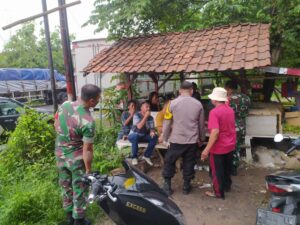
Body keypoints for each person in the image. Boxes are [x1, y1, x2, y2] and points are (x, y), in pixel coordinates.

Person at [54, 84, 101, 225]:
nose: (99, 100)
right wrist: (88, 170)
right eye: (98, 98)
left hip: (60, 154)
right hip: (75, 159)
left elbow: (56, 124)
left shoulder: (65, 105)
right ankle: (79, 221)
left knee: (65, 186)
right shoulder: (88, 121)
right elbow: (87, 149)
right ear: (92, 101)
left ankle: (69, 217)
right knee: (79, 189)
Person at [162, 81, 206, 195]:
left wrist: (165, 138)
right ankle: (186, 186)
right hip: (191, 141)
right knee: (189, 162)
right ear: (192, 90)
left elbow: (167, 122)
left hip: (176, 140)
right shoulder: (198, 104)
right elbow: (201, 125)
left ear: (180, 91)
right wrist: (201, 139)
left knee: (169, 161)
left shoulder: (171, 104)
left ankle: (167, 186)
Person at [201, 87, 236, 199]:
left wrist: (206, 150)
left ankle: (218, 193)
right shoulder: (230, 109)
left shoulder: (214, 112)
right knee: (226, 168)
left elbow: (215, 132)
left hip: (218, 147)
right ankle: (227, 186)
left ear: (214, 100)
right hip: (230, 144)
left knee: (217, 171)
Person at [225, 80, 251, 176]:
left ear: (229, 88)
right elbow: (247, 112)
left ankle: (232, 168)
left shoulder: (228, 99)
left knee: (230, 147)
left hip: (231, 127)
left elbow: (225, 113)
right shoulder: (246, 98)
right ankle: (234, 166)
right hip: (241, 126)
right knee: (237, 147)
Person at [128, 100, 158, 166]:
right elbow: (139, 126)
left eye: (149, 107)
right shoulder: (136, 115)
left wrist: (152, 132)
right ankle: (134, 157)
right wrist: (145, 116)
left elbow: (152, 128)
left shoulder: (150, 117)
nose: (149, 108)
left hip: (143, 136)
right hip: (133, 135)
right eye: (146, 107)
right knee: (135, 136)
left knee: (155, 136)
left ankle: (146, 156)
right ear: (141, 107)